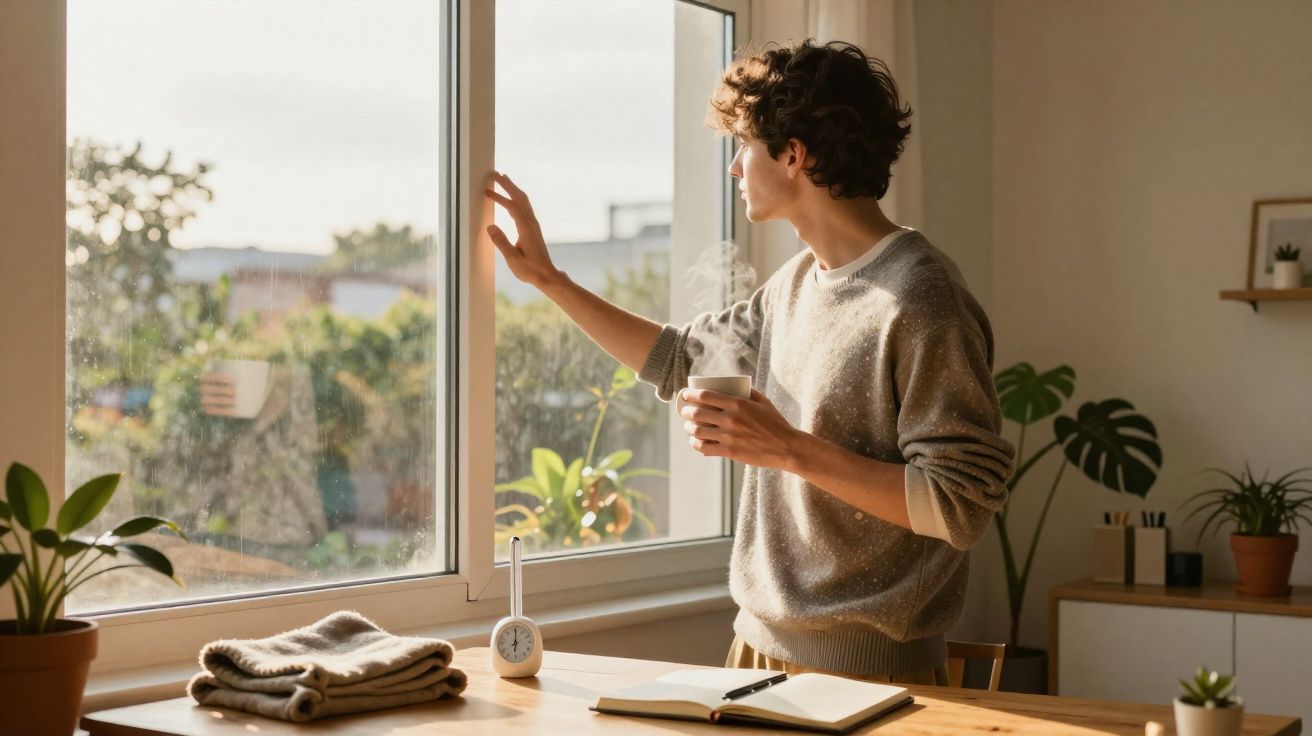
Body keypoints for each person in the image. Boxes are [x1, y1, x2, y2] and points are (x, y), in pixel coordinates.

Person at [485, 39, 1014, 685]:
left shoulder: (922, 298)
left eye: (744, 146)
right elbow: (678, 358)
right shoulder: (794, 285)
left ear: (794, 154)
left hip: (874, 678)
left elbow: (959, 505)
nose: (735, 169)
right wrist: (549, 279)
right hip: (754, 654)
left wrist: (788, 448)